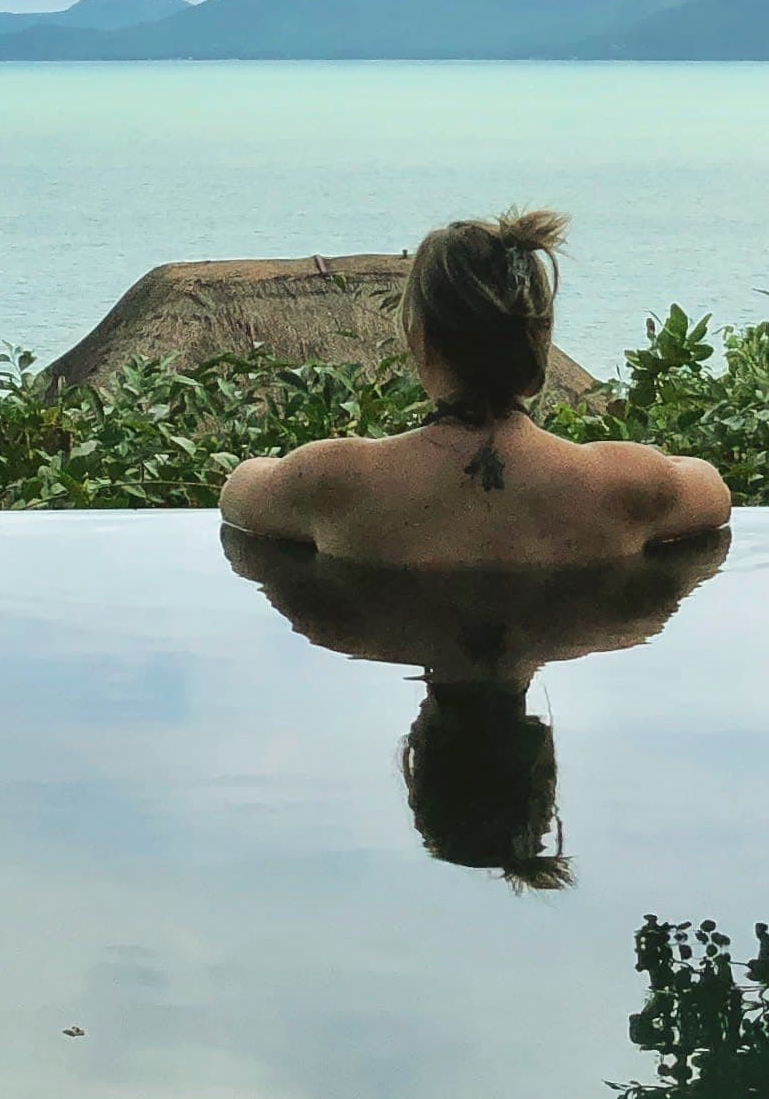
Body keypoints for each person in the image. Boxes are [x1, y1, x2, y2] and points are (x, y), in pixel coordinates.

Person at [217, 207, 731, 565]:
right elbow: (712, 491)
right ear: (538, 340)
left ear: (421, 340)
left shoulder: (331, 480)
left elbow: (240, 488)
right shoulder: (629, 485)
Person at [225, 527, 728, 889]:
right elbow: (710, 498)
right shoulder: (628, 505)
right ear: (422, 754)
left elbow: (241, 495)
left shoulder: (336, 510)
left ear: (541, 758)